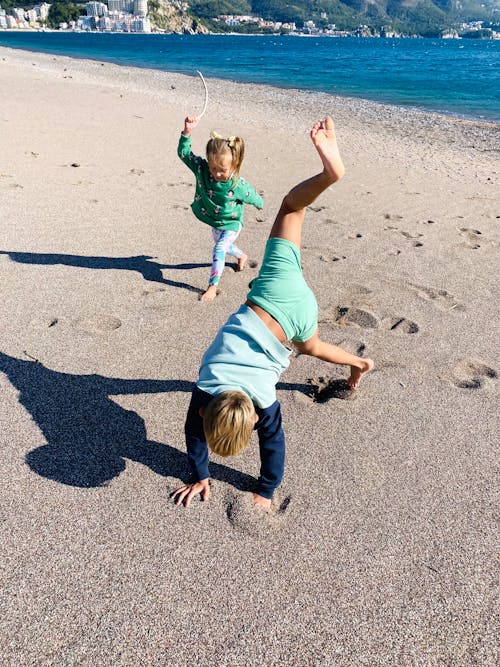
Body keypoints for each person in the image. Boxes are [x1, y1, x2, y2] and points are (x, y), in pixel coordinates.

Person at [172, 117, 374, 509]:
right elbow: (194, 431)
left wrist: (258, 489)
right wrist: (245, 485)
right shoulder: (209, 376)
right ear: (204, 405)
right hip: (274, 290)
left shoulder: (265, 399)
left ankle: (360, 364)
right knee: (290, 206)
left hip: (297, 317)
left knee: (312, 347)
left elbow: (272, 446)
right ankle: (330, 173)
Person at [178, 115, 264, 301]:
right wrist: (187, 132)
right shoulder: (202, 169)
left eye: (222, 170)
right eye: (212, 168)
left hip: (232, 223)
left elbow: (252, 196)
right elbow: (185, 154)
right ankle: (241, 256)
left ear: (235, 164)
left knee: (219, 248)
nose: (216, 173)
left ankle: (212, 286)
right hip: (215, 221)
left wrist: (260, 203)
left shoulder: (237, 184)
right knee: (223, 246)